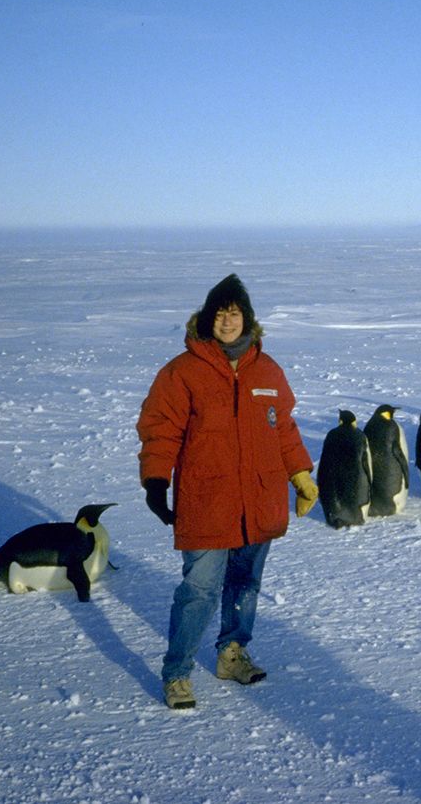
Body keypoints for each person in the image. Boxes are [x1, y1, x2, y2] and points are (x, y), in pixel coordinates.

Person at [137, 274, 318, 710]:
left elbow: (284, 429)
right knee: (199, 590)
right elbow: (161, 430)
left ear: (248, 319)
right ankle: (178, 672)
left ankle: (231, 654)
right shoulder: (182, 372)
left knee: (245, 584)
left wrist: (300, 474)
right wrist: (157, 480)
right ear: (207, 319)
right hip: (208, 502)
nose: (227, 321)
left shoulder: (268, 370)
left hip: (259, 499)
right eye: (220, 314)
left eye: (234, 313)